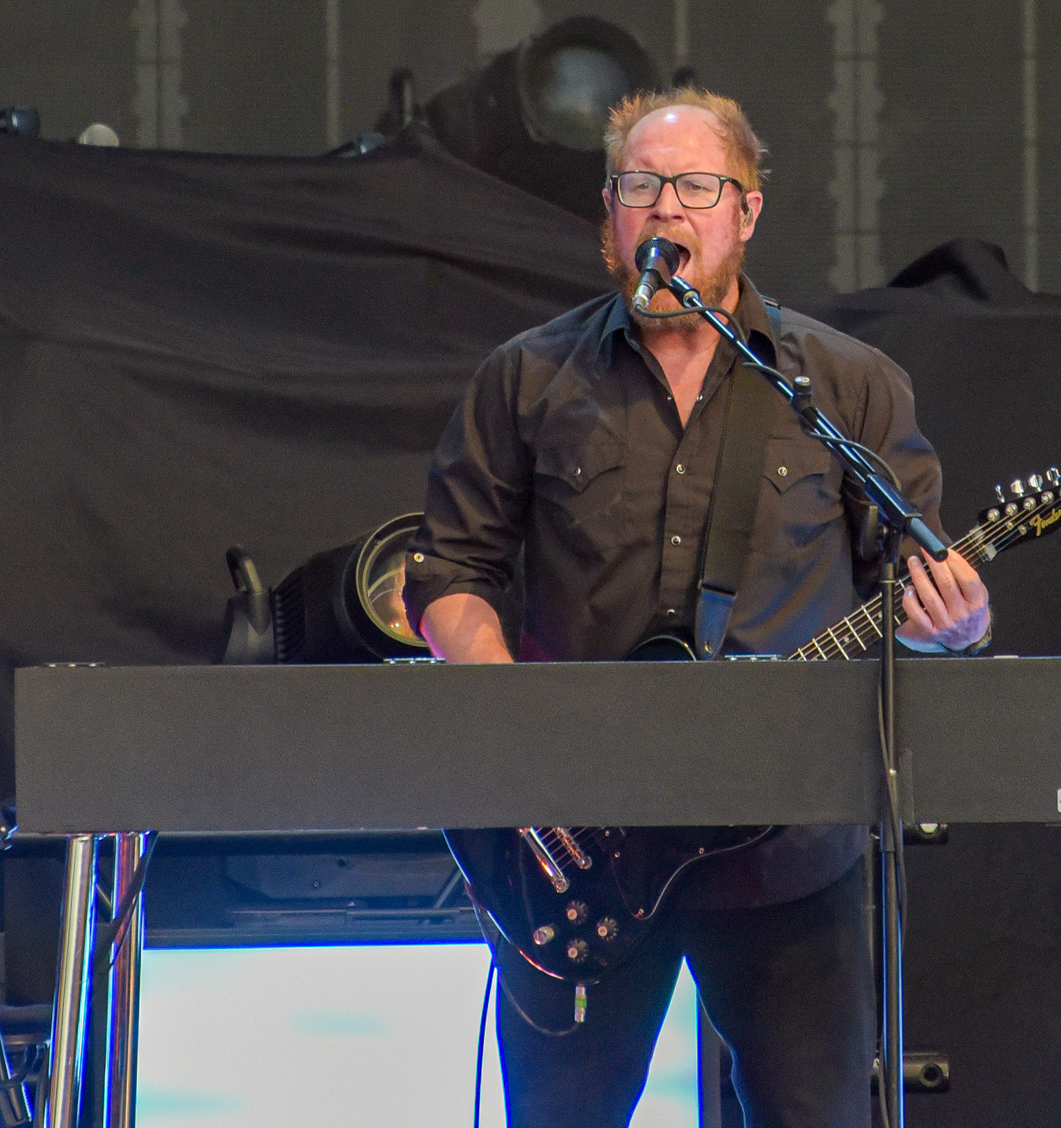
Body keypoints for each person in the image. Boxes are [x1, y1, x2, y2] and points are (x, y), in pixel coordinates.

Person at [401, 87, 990, 1128]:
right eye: (639, 185)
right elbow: (449, 572)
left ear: (746, 212)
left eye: (695, 187)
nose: (664, 207)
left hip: (786, 857)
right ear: (609, 214)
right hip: (580, 844)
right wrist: (512, 735)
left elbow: (915, 579)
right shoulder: (527, 378)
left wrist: (960, 627)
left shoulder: (843, 384)